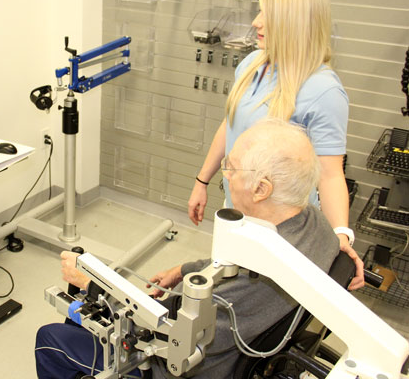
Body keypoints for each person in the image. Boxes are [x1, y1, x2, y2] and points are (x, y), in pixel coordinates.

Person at [35, 119, 341, 379]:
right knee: (77, 316)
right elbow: (232, 261)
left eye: (231, 168)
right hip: (209, 341)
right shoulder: (315, 225)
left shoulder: (250, 285)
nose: (226, 176)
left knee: (50, 339)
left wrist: (94, 284)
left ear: (261, 188)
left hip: (171, 364)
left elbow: (164, 335)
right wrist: (182, 270)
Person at [187, 0, 364, 290]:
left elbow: (331, 174)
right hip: (238, 210)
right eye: (259, 10)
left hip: (281, 230)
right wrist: (201, 182)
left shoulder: (323, 90)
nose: (256, 21)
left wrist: (340, 237)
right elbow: (230, 125)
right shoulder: (250, 65)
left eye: (268, 14)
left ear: (296, 22)